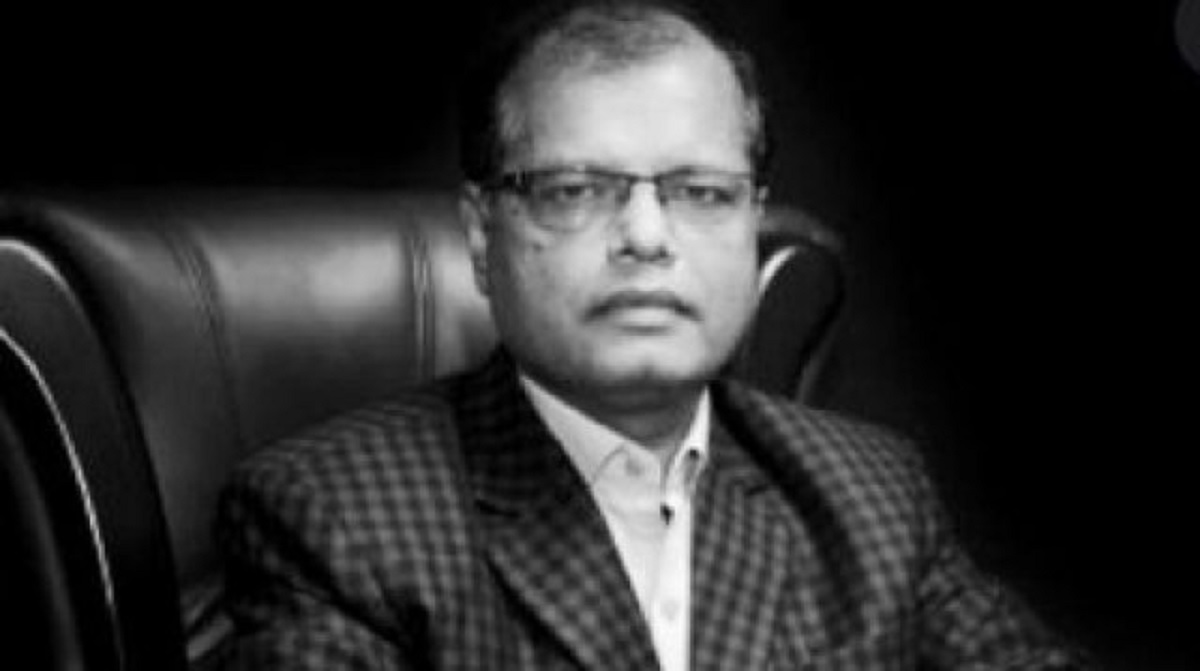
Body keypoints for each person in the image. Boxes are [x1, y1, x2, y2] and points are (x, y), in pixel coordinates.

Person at [216, 1, 1088, 668]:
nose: (645, 235)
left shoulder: (872, 493)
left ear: (751, 220)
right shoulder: (332, 514)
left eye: (700, 192)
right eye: (574, 190)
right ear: (482, 236)